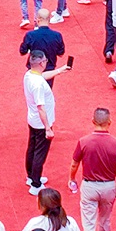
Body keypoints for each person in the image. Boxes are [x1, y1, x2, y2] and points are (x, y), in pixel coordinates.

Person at [68, 108, 116, 231]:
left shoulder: (84, 141)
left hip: (90, 186)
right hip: (108, 186)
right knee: (105, 219)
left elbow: (74, 164)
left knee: (89, 223)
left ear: (93, 121)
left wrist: (72, 178)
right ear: (110, 122)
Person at [22, 51, 71, 195]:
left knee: (32, 148)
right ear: (41, 63)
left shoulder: (29, 75)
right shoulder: (38, 85)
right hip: (41, 123)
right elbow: (41, 107)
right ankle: (35, 184)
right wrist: (48, 128)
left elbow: (42, 76)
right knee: (40, 153)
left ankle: (31, 177)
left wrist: (60, 70)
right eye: (45, 60)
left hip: (33, 120)